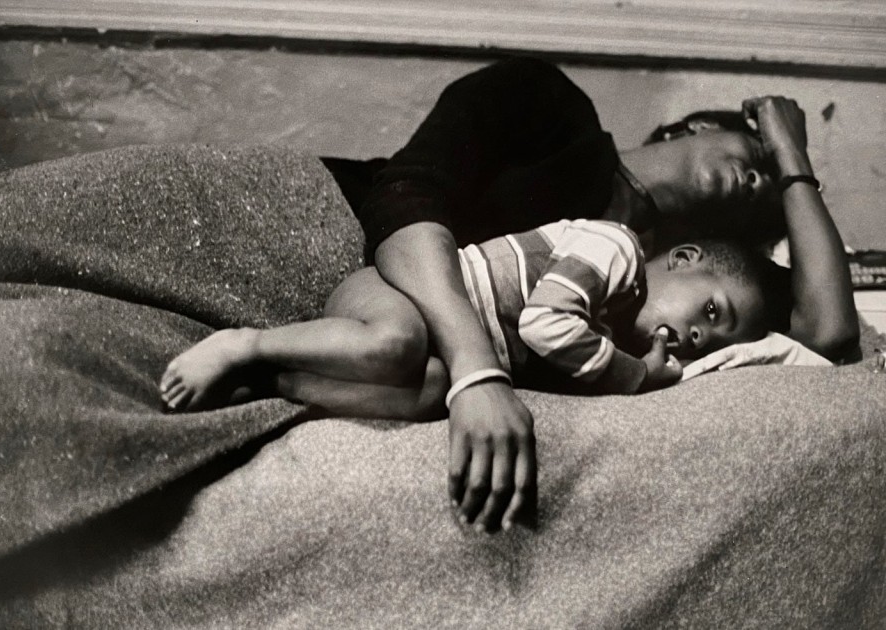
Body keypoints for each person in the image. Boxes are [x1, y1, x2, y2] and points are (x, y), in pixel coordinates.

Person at [316, 57, 858, 534]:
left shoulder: (648, 305)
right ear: (691, 129)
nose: (761, 180)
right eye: (756, 153)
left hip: (383, 336)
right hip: (324, 219)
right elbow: (405, 203)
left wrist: (793, 158)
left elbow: (827, 331)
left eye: (769, 189)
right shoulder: (550, 104)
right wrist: (477, 374)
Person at [160, 215, 790, 431]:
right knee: (398, 342)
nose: (697, 335)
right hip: (396, 292)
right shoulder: (616, 251)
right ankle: (246, 344)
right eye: (710, 310)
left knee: (432, 389)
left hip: (441, 351)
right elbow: (546, 321)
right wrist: (632, 376)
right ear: (682, 260)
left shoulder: (608, 332)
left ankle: (275, 385)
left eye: (714, 338)